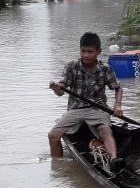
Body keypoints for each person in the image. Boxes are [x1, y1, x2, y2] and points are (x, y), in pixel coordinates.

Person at [48, 32, 125, 171]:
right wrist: (56, 88)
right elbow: (61, 92)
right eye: (83, 51)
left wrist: (117, 105)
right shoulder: (71, 66)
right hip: (76, 109)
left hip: (98, 108)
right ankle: (58, 167)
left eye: (90, 52)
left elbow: (118, 88)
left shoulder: (105, 69)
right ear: (80, 50)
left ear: (98, 52)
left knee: (105, 130)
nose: (86, 55)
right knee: (53, 135)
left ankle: (114, 159)